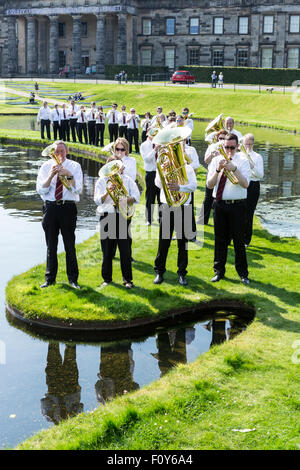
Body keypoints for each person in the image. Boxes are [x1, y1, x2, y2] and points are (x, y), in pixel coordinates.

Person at [36, 141, 83, 289]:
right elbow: (41, 191)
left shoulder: (75, 166)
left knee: (70, 245)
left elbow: (77, 190)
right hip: (50, 208)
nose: (59, 155)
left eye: (62, 151)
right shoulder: (45, 167)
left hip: (68, 207)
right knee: (51, 245)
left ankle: (73, 280)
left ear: (67, 151)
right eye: (56, 152)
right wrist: (50, 176)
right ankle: (50, 280)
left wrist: (68, 175)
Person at [206, 133, 251, 284]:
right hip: (219, 204)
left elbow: (245, 184)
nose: (229, 150)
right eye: (226, 147)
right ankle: (219, 272)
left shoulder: (243, 161)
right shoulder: (216, 160)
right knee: (220, 240)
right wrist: (218, 170)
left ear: (238, 146)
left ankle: (243, 273)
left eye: (232, 147)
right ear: (223, 146)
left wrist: (234, 168)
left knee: (239, 240)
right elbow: (209, 185)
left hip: (237, 205)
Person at [94, 155, 140, 289]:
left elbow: (136, 197)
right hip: (107, 216)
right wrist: (108, 192)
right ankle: (106, 279)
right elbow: (97, 200)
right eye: (110, 167)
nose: (113, 171)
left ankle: (128, 280)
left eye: (115, 167)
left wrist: (123, 201)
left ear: (120, 167)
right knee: (107, 250)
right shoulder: (101, 182)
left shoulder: (128, 180)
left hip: (122, 216)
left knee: (125, 250)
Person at [153, 156, 197, 286]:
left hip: (183, 207)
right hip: (167, 206)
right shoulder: (162, 167)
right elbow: (157, 184)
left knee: (183, 243)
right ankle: (159, 272)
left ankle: (182, 273)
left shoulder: (187, 168)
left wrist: (179, 188)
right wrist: (163, 172)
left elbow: (194, 186)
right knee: (163, 241)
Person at [198, 129, 228, 225]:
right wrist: (212, 154)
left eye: (223, 138)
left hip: (224, 176)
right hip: (212, 174)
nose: (221, 140)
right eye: (220, 138)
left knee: (220, 199)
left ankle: (220, 221)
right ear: (217, 138)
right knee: (208, 198)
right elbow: (206, 161)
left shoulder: (228, 148)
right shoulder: (212, 147)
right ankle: (202, 220)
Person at [242, 133, 264, 247]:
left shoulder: (257, 157)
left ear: (253, 144)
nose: (247, 146)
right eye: (246, 144)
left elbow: (260, 175)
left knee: (249, 213)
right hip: (241, 184)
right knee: (238, 211)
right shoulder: (240, 155)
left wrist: (252, 166)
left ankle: (246, 240)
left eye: (250, 144)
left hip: (253, 185)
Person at [140, 128, 161, 225]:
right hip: (151, 173)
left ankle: (161, 219)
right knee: (150, 197)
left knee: (161, 197)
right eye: (152, 132)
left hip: (160, 173)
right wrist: (155, 150)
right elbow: (147, 159)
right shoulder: (144, 145)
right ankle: (149, 219)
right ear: (148, 133)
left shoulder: (161, 143)